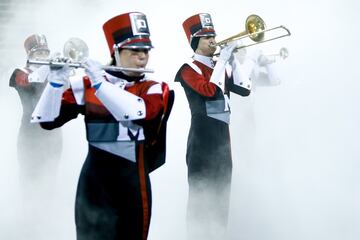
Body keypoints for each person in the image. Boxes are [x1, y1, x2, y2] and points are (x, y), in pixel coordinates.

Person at [31, 12, 174, 240]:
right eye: (134, 51)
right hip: (93, 187)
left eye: (145, 51)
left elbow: (140, 113)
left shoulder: (155, 88)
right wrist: (56, 83)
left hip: (133, 187)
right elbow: (46, 121)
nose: (142, 58)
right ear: (116, 52)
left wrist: (100, 83)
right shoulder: (86, 85)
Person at [174, 13, 257, 240]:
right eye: (206, 37)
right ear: (195, 42)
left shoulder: (218, 66)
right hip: (201, 141)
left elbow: (244, 88)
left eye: (213, 35)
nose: (213, 40)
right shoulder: (187, 68)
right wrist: (222, 62)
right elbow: (210, 91)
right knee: (200, 201)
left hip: (223, 141)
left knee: (222, 199)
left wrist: (232, 62)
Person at [9, 34, 63, 237]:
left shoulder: (54, 73)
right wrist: (51, 67)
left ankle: (47, 223)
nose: (44, 56)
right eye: (39, 53)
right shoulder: (20, 73)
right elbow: (25, 83)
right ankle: (28, 224)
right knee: (29, 178)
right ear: (30, 56)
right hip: (30, 135)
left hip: (54, 135)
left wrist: (63, 72)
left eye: (46, 53)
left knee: (50, 178)